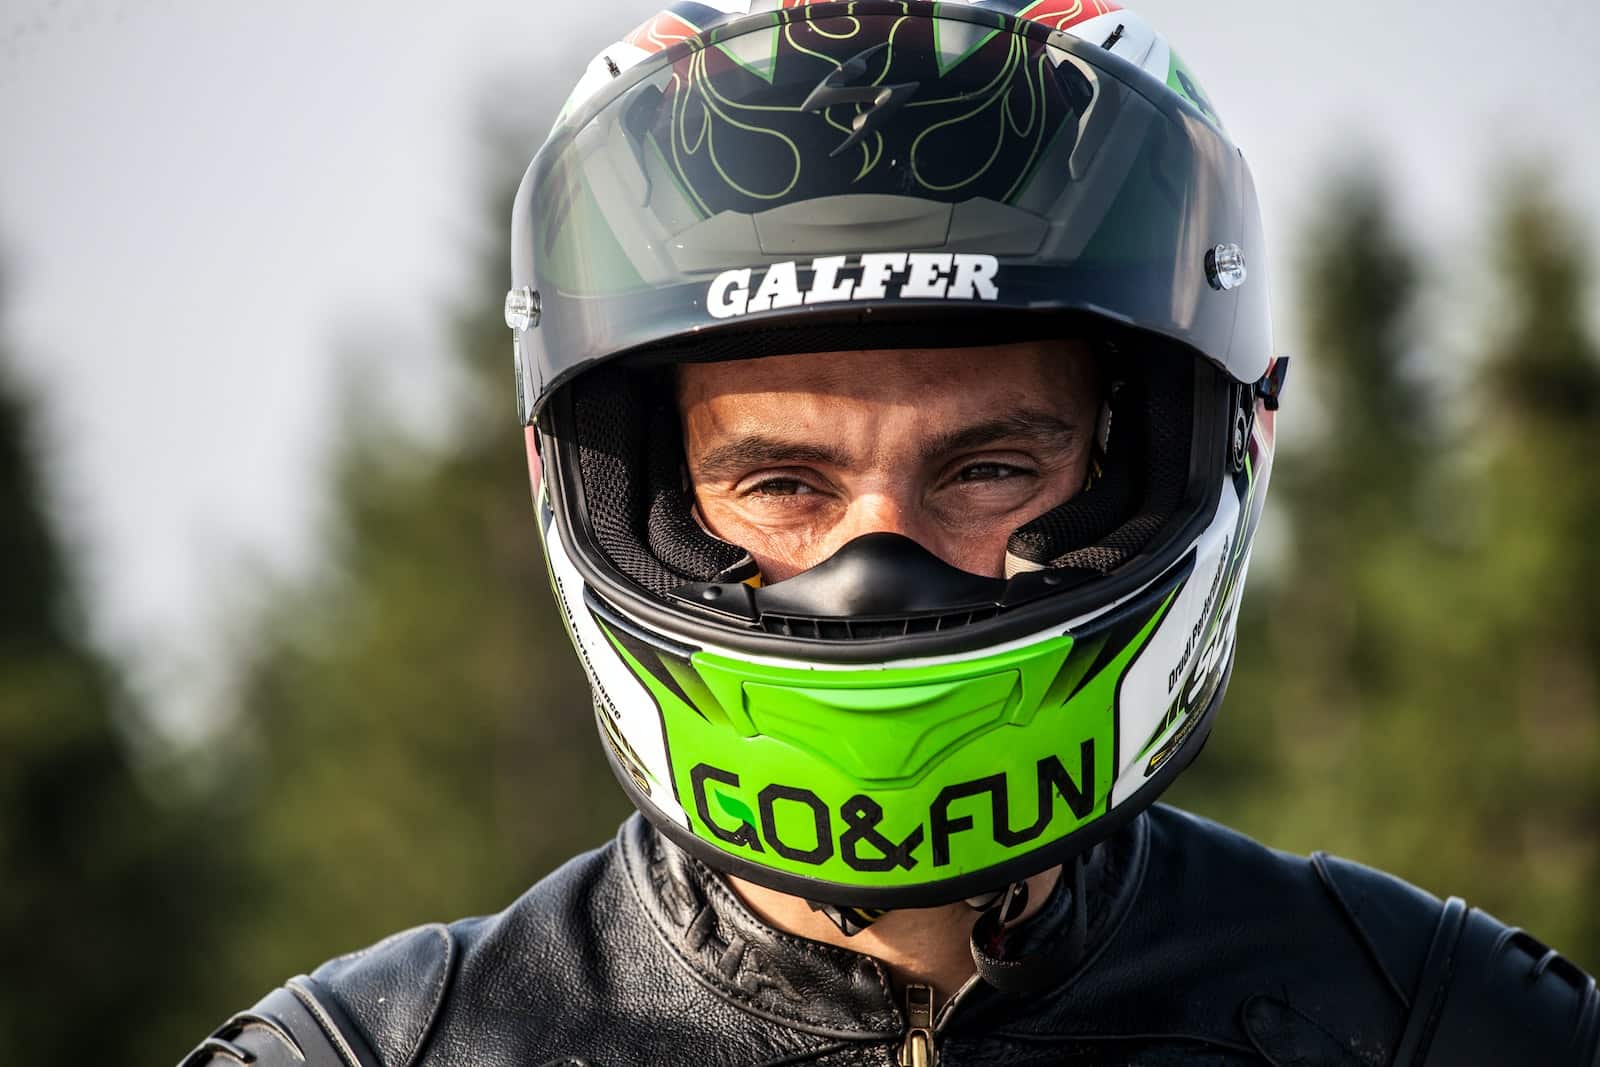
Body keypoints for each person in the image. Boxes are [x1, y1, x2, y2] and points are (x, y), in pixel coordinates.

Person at [180, 3, 1600, 1065]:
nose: (878, 564)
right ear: (632, 498)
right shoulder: (389, 1053)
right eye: (785, 484)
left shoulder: (1439, 1026)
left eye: (986, 468)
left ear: (1159, 463)